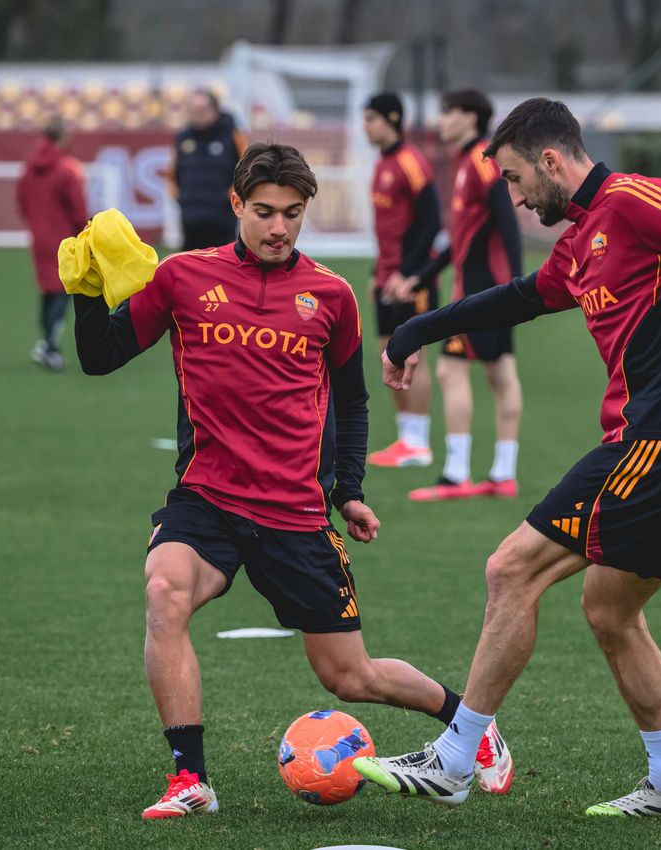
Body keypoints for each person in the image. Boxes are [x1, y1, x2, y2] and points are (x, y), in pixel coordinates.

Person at [353, 98, 661, 816]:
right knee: (609, 611)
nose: (515, 196)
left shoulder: (633, 201)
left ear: (552, 161)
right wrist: (417, 330)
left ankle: (456, 758)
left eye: (516, 179)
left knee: (511, 568)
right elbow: (518, 299)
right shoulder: (579, 240)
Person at [67, 143, 512, 820]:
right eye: (266, 213)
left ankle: (470, 727)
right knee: (164, 592)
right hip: (206, 500)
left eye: (294, 215)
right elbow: (100, 359)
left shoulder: (331, 295)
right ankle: (191, 779)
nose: (279, 228)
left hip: (294, 514)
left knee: (349, 676)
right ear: (237, 206)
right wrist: (86, 294)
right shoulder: (183, 278)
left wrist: (350, 490)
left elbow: (354, 401)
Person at [386, 89, 524, 501]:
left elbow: (509, 226)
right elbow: (459, 242)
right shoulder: (469, 162)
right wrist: (419, 274)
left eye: (448, 112)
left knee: (450, 371)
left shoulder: (484, 161)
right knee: (500, 374)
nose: (440, 120)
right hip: (490, 286)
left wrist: (516, 286)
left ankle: (456, 475)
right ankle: (503, 474)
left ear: (470, 117)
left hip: (485, 287)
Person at [362, 92, 441, 468]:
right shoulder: (383, 164)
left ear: (391, 120)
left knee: (413, 358)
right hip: (386, 276)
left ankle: (420, 444)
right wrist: (378, 273)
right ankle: (406, 439)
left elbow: (430, 223)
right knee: (387, 354)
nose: (366, 126)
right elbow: (389, 228)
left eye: (371, 119)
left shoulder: (411, 163)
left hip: (410, 279)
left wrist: (408, 273)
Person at [17, 116, 88, 370]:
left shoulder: (29, 167)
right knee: (63, 290)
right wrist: (84, 232)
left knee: (47, 290)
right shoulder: (68, 169)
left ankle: (46, 342)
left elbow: (22, 201)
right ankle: (50, 345)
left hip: (39, 237)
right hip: (64, 238)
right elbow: (78, 208)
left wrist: (36, 223)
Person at [168, 89, 247, 250]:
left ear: (215, 110)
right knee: (189, 268)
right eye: (194, 110)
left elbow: (246, 168)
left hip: (222, 219)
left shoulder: (232, 134)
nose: (198, 114)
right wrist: (181, 198)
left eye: (203, 110)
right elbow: (172, 173)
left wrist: (230, 197)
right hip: (190, 218)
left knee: (224, 267)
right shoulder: (183, 137)